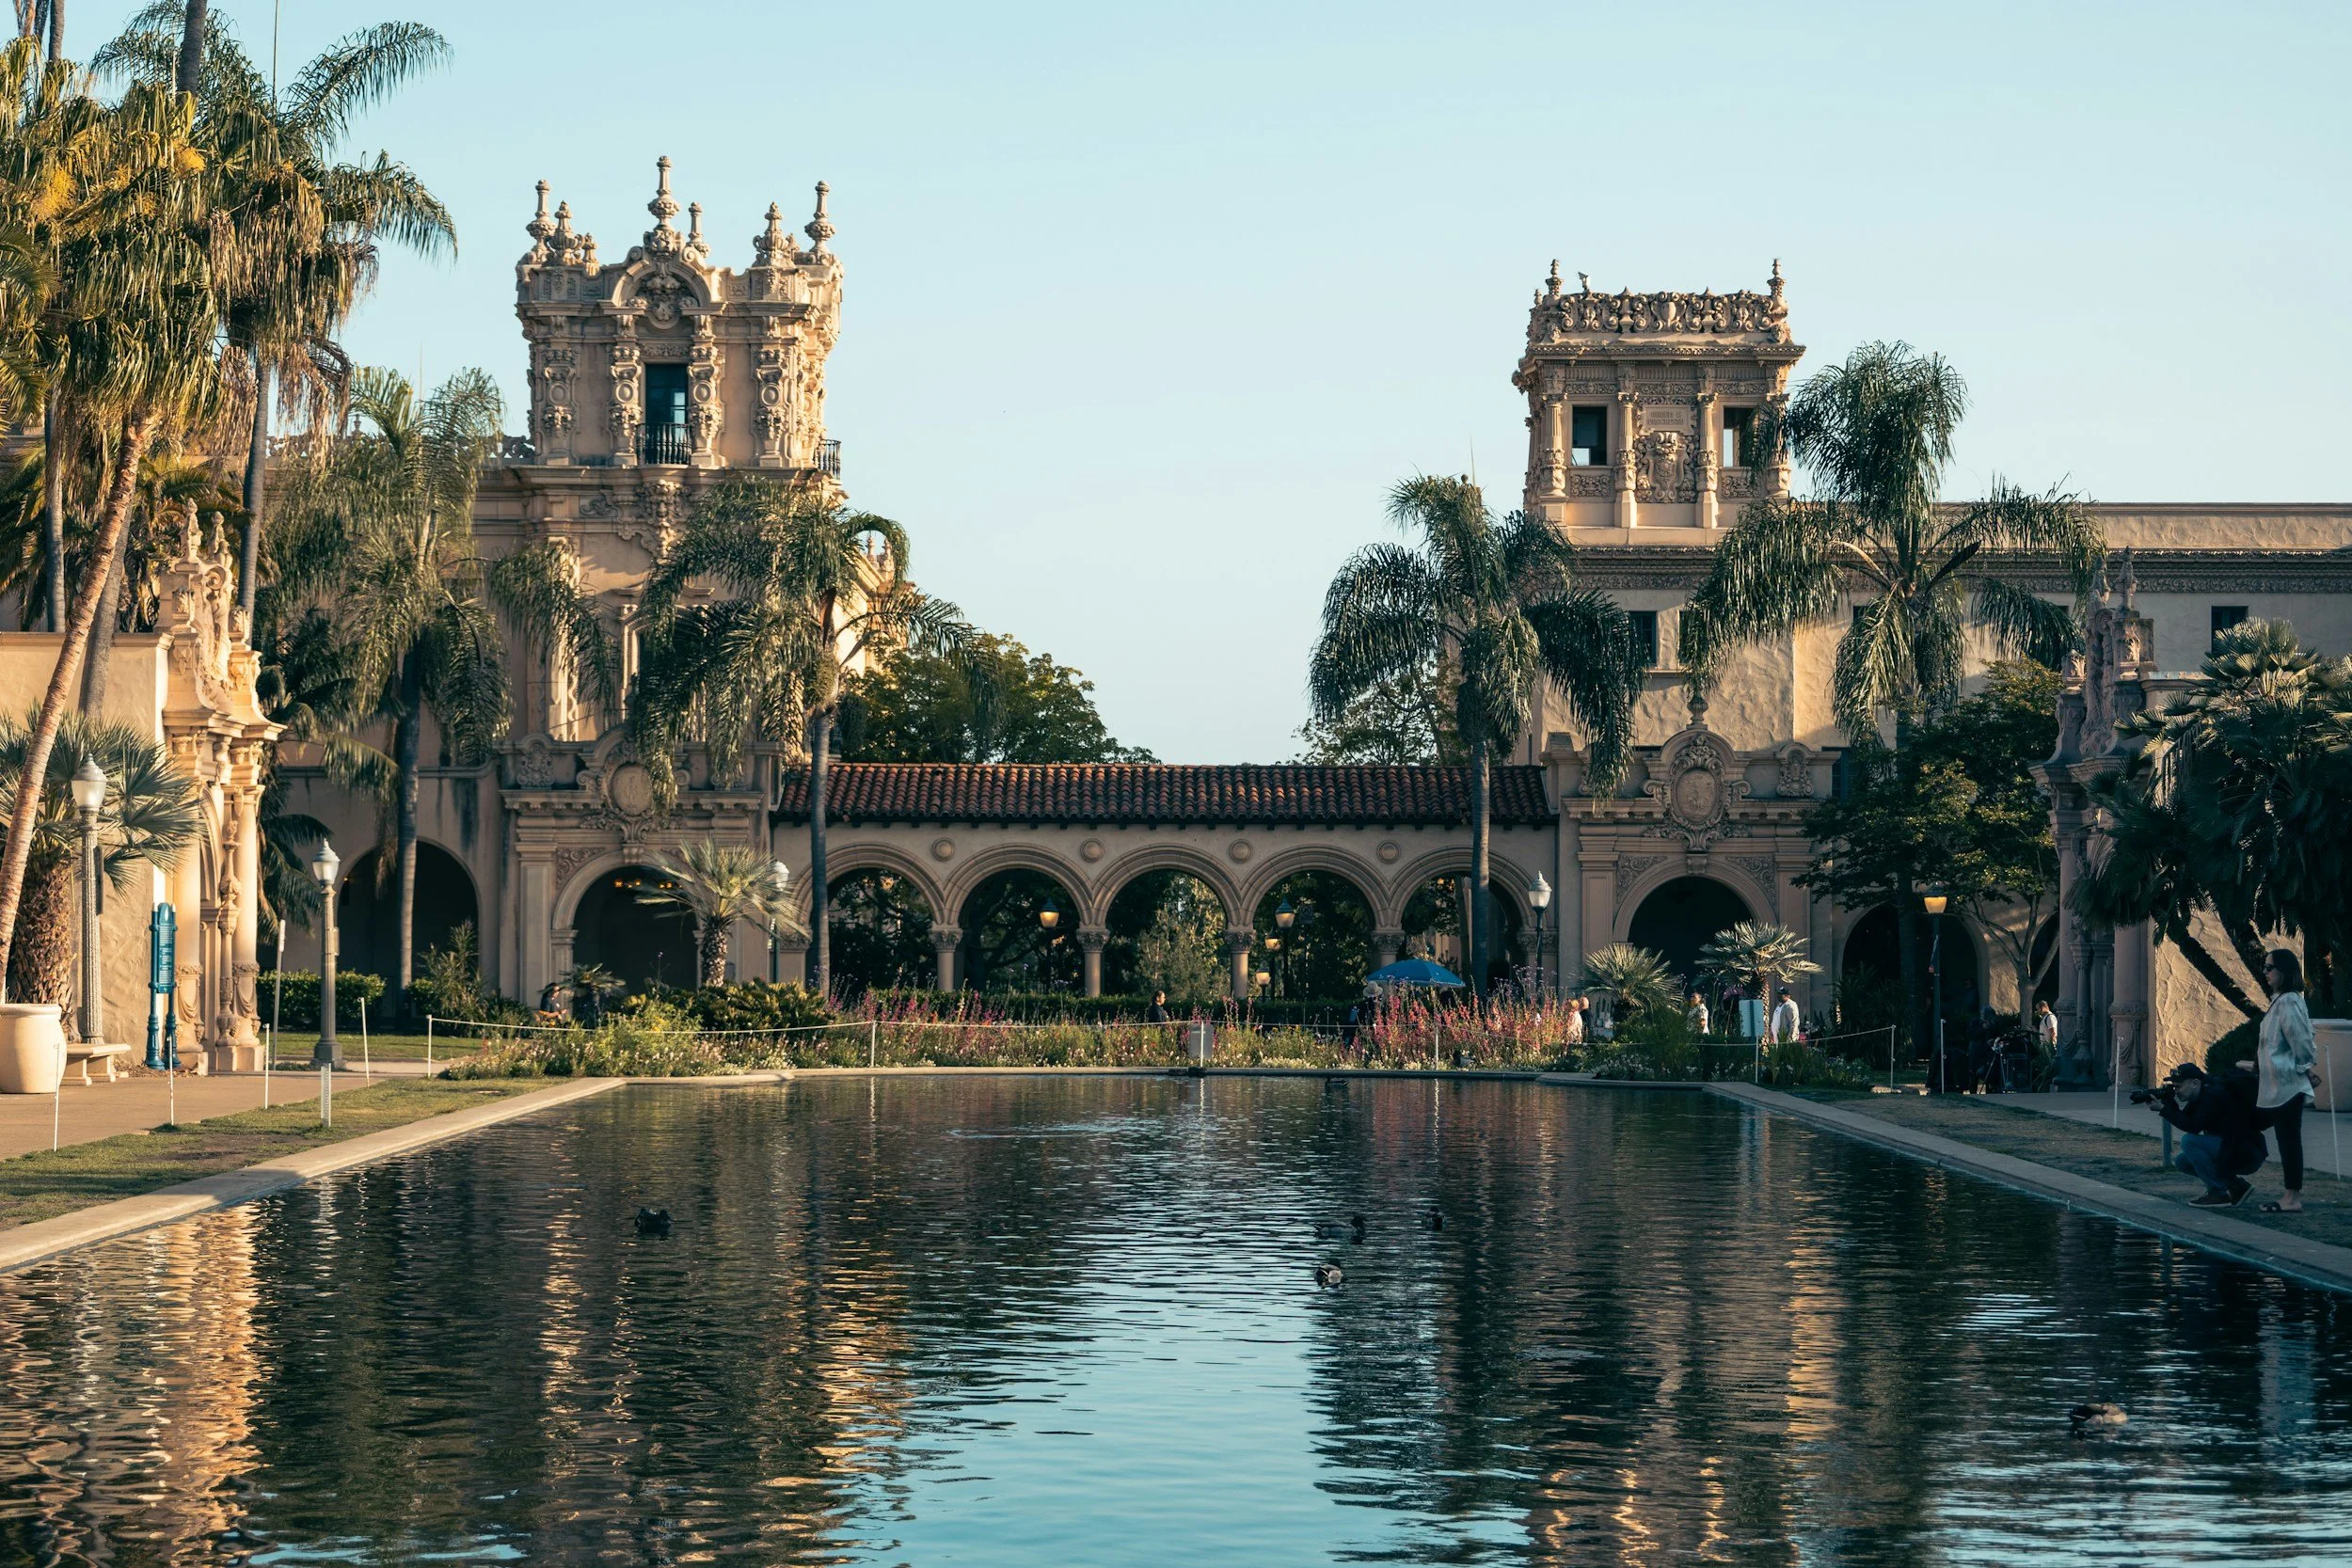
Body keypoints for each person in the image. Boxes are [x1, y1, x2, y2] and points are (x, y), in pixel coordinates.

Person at [2246, 948, 2319, 1214]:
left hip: (2287, 1084)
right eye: (2265, 967)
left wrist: (2306, 1068)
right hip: (2277, 1085)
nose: (2265, 973)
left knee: (2289, 1140)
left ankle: (2292, 1197)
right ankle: (2289, 1194)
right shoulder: (2280, 1001)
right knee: (2285, 1139)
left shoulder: (2289, 1001)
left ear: (2284, 971)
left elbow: (2300, 1038)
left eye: (2270, 968)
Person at [2152, 1062, 2266, 1206]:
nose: (2176, 1091)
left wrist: (2164, 1109)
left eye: (2179, 1086)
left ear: (2194, 1083)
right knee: (2183, 1162)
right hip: (2231, 1149)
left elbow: (2192, 1126)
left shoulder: (2213, 1094)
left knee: (2189, 1141)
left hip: (2246, 1152)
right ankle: (2237, 1186)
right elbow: (2186, 1119)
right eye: (2174, 1087)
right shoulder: (2202, 1092)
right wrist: (2169, 1104)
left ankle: (2218, 1193)